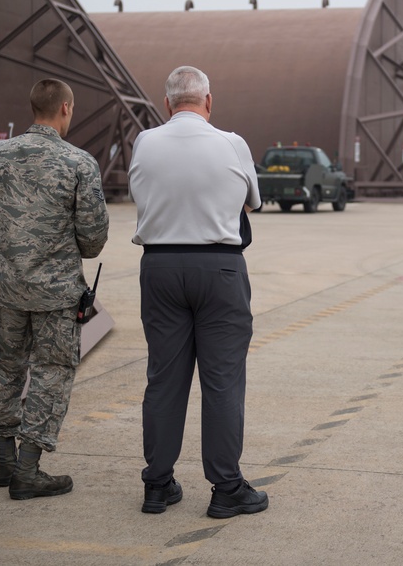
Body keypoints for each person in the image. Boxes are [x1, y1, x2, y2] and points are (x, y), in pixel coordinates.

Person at [0, 78, 109, 500]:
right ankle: (28, 470)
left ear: (33, 107)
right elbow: (94, 238)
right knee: (51, 372)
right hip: (56, 295)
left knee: (7, 369)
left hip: (4, 291)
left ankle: (4, 462)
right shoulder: (79, 163)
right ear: (65, 108)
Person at [128, 65, 267, 518]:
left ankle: (158, 484)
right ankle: (226, 488)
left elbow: (140, 193)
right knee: (222, 381)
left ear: (166, 104)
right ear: (209, 101)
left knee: (164, 379)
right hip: (220, 269)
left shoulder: (146, 141)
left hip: (161, 268)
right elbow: (253, 202)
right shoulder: (231, 142)